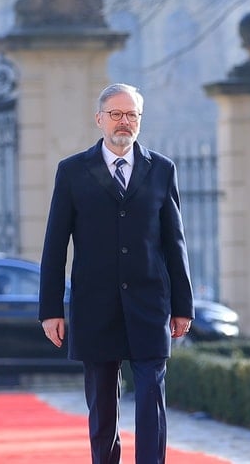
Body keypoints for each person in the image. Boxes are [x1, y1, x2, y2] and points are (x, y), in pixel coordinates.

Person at [39, 83, 194, 464]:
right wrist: (50, 310)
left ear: (140, 120)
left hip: (150, 302)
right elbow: (55, 245)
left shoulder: (161, 170)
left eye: (132, 115)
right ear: (99, 119)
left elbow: (175, 242)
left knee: (151, 395)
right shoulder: (73, 171)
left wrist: (183, 305)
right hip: (96, 305)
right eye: (116, 114)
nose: (124, 122)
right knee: (103, 404)